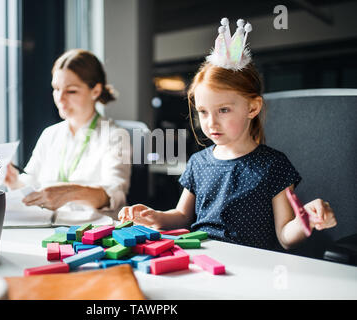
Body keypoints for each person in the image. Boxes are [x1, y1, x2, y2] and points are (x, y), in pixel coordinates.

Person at [118, 18, 337, 251]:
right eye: (203, 112)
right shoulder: (198, 163)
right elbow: (182, 216)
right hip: (202, 260)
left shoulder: (274, 166)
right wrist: (156, 217)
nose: (211, 122)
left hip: (251, 269)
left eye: (223, 110)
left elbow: (284, 236)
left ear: (252, 108)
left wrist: (307, 221)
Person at [4, 49, 131, 218]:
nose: (60, 98)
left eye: (71, 91)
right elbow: (31, 182)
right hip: (49, 227)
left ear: (96, 91)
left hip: (92, 232)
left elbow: (115, 196)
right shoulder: (50, 134)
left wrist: (70, 193)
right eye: (56, 89)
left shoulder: (115, 136)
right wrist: (14, 182)